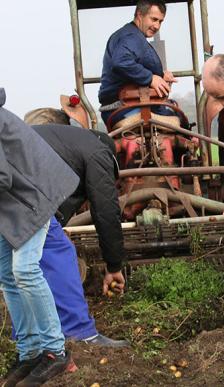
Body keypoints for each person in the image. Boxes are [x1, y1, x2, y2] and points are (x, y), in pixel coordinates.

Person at [20, 115, 129, 347]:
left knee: (24, 267)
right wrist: (114, 265)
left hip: (11, 181)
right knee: (60, 251)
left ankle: (28, 339)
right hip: (22, 187)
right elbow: (106, 212)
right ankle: (79, 332)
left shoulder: (69, 142)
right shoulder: (99, 153)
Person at [0, 88, 79, 386]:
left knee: (25, 269)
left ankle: (55, 352)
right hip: (10, 205)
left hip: (32, 198)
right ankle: (30, 351)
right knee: (7, 274)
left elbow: (2, 177)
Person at [98, 0, 177, 125]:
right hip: (124, 108)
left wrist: (160, 75)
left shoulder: (132, 36)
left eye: (160, 21)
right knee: (180, 121)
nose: (157, 26)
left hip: (131, 105)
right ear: (140, 15)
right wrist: (150, 78)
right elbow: (121, 62)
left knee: (176, 112)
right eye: (154, 19)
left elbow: (133, 64)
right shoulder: (131, 36)